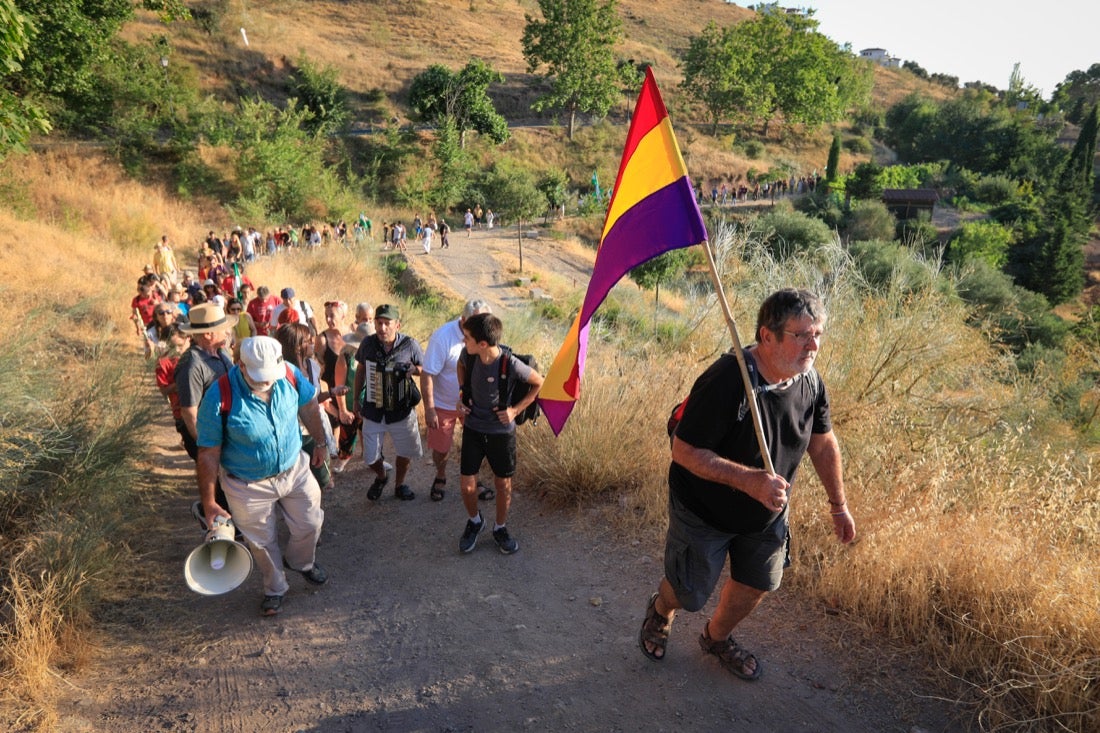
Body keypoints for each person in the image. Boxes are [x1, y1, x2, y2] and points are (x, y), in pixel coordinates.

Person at [638, 289, 856, 681]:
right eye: (801, 335)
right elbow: (684, 451)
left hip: (767, 514)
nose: (814, 345)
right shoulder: (727, 379)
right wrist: (749, 480)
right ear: (766, 336)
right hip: (703, 509)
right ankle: (661, 610)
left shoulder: (809, 382)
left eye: (818, 334)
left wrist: (838, 505)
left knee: (758, 583)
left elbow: (823, 445)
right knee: (689, 591)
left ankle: (716, 637)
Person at [195, 336, 329, 617]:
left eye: (270, 377)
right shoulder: (218, 396)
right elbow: (208, 453)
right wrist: (209, 502)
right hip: (247, 485)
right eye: (259, 377)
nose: (266, 383)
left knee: (310, 522)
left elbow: (309, 406)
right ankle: (275, 588)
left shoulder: (289, 374)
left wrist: (320, 441)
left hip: (294, 469)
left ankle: (301, 563)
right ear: (241, 365)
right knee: (261, 542)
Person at [454, 313, 543, 555]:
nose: (464, 342)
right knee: (467, 487)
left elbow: (539, 383)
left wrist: (515, 410)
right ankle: (475, 522)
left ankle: (500, 528)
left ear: (483, 344)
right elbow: (460, 366)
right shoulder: (468, 357)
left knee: (503, 485)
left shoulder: (510, 363)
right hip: (473, 428)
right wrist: (462, 395)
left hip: (501, 433)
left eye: (468, 338)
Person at [419, 299, 492, 502]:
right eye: (474, 322)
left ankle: (474, 480)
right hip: (445, 403)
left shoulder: (485, 335)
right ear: (463, 320)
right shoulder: (442, 337)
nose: (480, 328)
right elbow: (427, 375)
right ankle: (440, 475)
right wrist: (430, 408)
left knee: (477, 445)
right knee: (441, 448)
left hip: (474, 404)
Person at [352, 304, 423, 502]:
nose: (382, 328)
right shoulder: (368, 343)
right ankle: (382, 476)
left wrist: (414, 370)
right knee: (370, 457)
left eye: (387, 323)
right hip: (374, 409)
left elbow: (425, 369)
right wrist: (357, 400)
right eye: (379, 323)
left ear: (397, 325)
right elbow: (361, 370)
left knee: (405, 451)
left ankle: (400, 484)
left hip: (401, 409)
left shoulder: (410, 344)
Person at [276, 322, 339, 492]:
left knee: (322, 477)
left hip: (313, 425)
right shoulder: (279, 372)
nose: (313, 344)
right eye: (308, 341)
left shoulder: (313, 366)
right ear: (296, 346)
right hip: (292, 430)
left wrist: (332, 392)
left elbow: (313, 399)